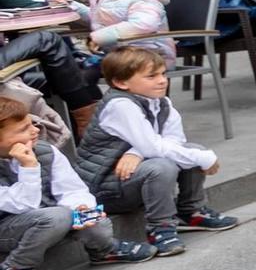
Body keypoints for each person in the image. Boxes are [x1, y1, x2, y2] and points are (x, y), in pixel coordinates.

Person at [73, 45, 238, 255]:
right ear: (120, 82)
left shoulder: (161, 102)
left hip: (127, 177)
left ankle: (190, 211)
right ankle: (160, 228)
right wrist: (202, 157)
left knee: (191, 150)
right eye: (151, 76)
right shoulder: (120, 105)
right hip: (104, 188)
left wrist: (136, 152)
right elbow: (153, 146)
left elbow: (174, 140)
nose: (162, 80)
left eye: (163, 74)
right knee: (162, 166)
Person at [0, 96, 154, 270]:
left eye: (32, 123)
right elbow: (23, 205)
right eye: (22, 130)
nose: (35, 130)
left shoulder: (45, 151)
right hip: (7, 229)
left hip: (48, 218)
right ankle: (14, 269)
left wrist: (81, 207)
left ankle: (104, 250)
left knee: (88, 213)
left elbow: (71, 189)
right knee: (57, 216)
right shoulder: (30, 159)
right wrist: (29, 167)